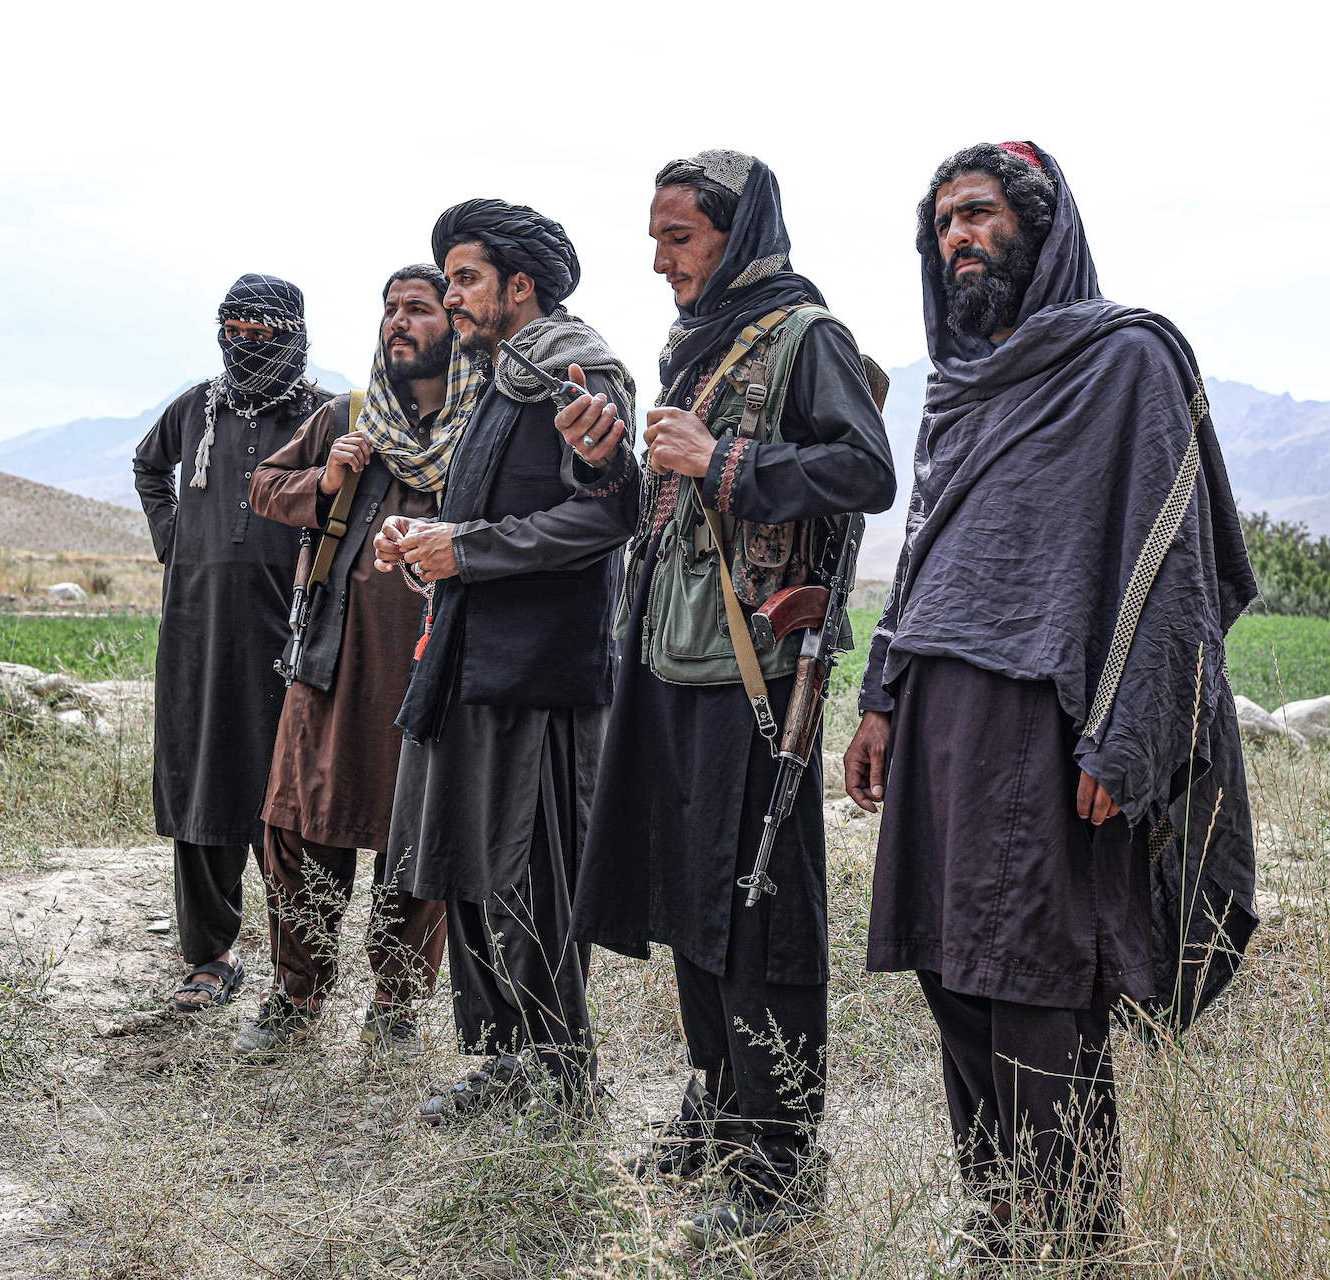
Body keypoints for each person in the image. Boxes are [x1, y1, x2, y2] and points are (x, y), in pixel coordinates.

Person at [842, 141, 1260, 1263]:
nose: (957, 240)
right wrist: (881, 693)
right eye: (942, 226)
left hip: (1045, 723)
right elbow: (924, 548)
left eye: (977, 215)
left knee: (1034, 982)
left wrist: (1128, 736)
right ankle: (997, 1224)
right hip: (936, 715)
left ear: (1038, 224)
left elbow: (1171, 559)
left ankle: (1072, 1241)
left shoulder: (1127, 360)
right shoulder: (960, 380)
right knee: (947, 969)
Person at [566, 149, 896, 1249]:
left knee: (758, 909)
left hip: (755, 674)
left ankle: (781, 1156)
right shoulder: (693, 345)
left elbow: (866, 470)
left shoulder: (808, 337)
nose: (659, 261)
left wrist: (729, 459)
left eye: (680, 238)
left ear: (737, 232)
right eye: (655, 239)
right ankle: (715, 1105)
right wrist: (607, 462)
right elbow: (664, 504)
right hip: (665, 658)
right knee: (684, 897)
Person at [377, 199, 636, 1128]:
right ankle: (500, 1059)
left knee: (531, 872)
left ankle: (562, 1073)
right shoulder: (496, 375)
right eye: (447, 282)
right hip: (470, 654)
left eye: (466, 281)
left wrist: (469, 549)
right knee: (466, 863)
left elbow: (609, 515)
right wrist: (424, 540)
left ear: (520, 285)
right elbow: (482, 511)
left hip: (541, 666)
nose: (450, 299)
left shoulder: (580, 367)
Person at [230, 264, 481, 1058]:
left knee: (417, 841)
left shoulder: (483, 425)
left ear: (455, 323)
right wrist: (328, 475)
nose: (398, 322)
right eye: (389, 310)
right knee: (300, 823)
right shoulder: (350, 416)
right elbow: (264, 488)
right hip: (333, 662)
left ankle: (396, 1010)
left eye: (418, 309)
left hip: (433, 671)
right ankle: (295, 1000)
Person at [133, 274, 332, 1015]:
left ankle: (296, 971)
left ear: (294, 335)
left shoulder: (321, 414)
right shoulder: (196, 408)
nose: (246, 344)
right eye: (235, 329)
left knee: (288, 797)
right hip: (196, 626)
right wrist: (174, 536)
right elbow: (149, 469)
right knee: (200, 781)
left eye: (264, 333)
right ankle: (210, 957)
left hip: (290, 628)